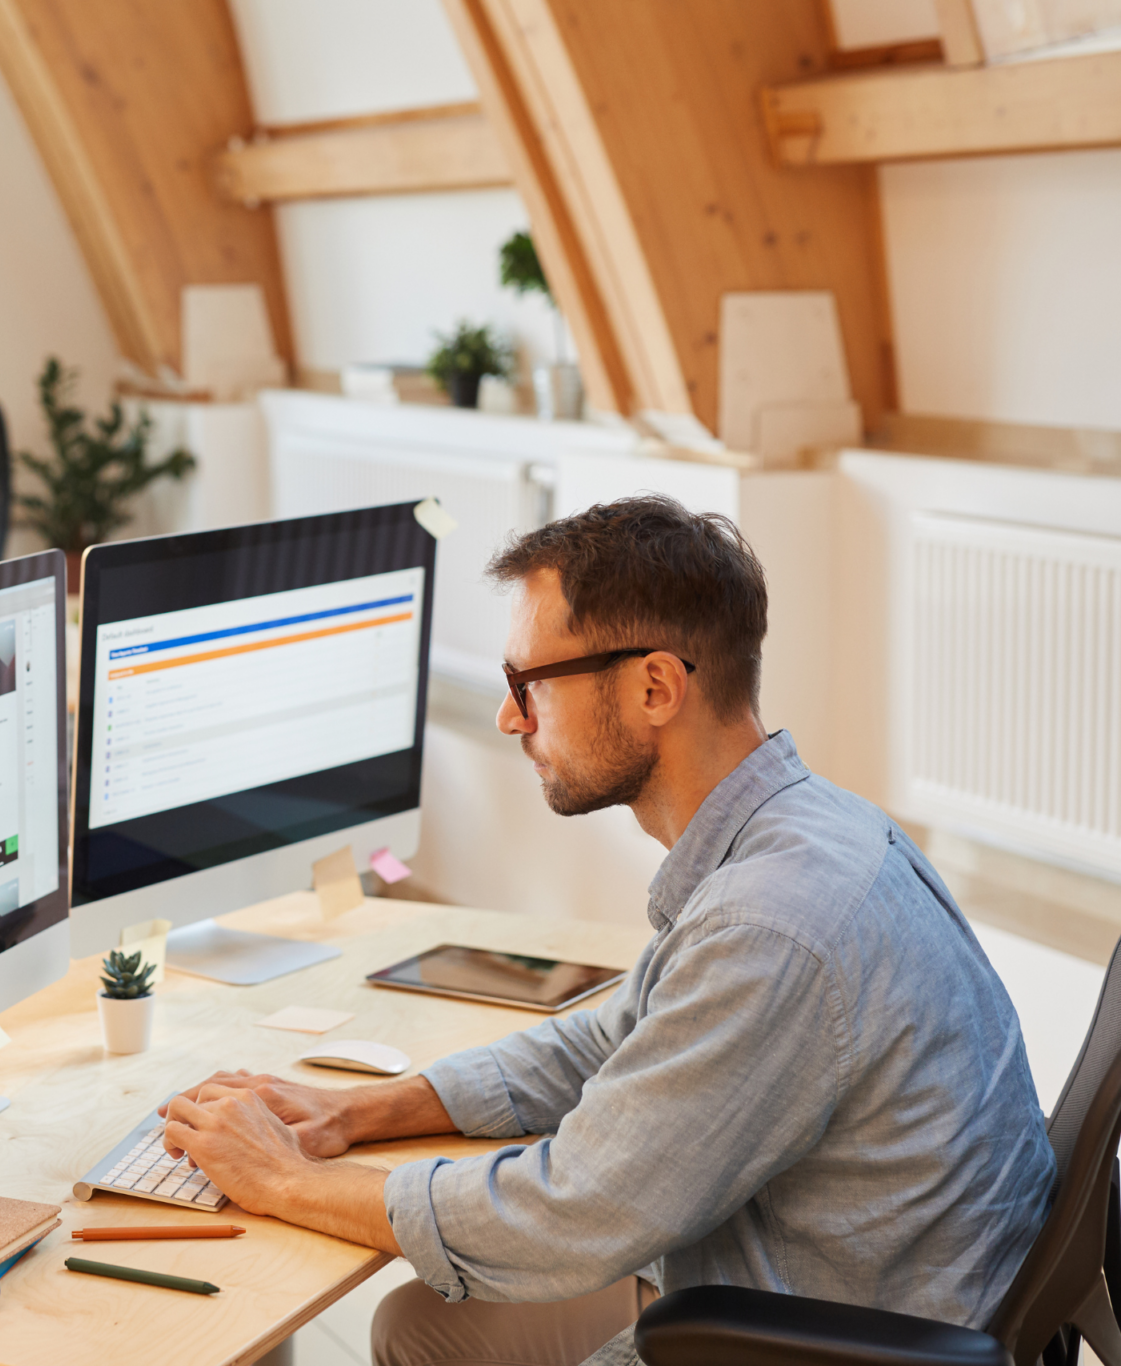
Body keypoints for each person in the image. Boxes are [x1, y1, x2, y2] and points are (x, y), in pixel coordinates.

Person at [154, 496, 1054, 1366]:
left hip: (827, 1334)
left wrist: (286, 1181)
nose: (510, 716)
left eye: (527, 684)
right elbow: (619, 1035)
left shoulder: (770, 924)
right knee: (423, 1327)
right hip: (836, 1283)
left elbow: (571, 1212)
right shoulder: (806, 827)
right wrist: (368, 1109)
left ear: (656, 686)